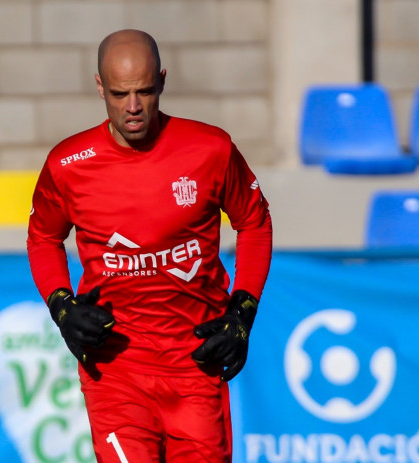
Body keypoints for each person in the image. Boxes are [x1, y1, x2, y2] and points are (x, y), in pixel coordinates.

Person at [27, 29, 272, 462]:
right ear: (100, 86)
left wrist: (242, 312)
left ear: (162, 80)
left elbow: (254, 222)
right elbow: (44, 236)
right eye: (120, 94)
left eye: (144, 91)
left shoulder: (210, 149)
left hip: (196, 363)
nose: (133, 107)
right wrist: (61, 306)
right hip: (116, 366)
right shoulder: (68, 164)